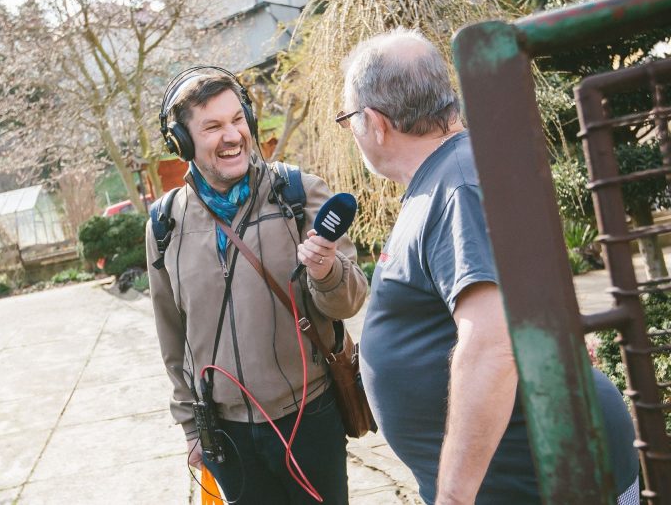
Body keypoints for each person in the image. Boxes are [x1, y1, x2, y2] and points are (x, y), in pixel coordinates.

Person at [340, 29, 640, 504]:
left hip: (540, 485)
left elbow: (494, 343)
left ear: (375, 122)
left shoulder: (457, 185)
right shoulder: (452, 173)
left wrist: (453, 498)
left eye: (349, 119)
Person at [146, 67, 369, 504]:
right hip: (225, 433)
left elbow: (350, 300)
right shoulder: (163, 223)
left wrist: (326, 270)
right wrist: (191, 427)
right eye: (212, 127)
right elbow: (171, 334)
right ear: (183, 143)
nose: (232, 135)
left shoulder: (299, 193)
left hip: (309, 417)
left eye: (237, 120)